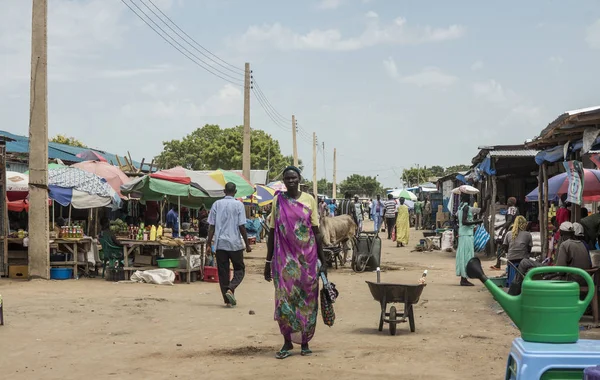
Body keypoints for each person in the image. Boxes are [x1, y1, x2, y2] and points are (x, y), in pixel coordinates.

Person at [264, 166, 326, 360]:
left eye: (294, 177)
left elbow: (316, 232)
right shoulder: (277, 201)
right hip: (284, 261)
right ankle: (287, 342)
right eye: (287, 178)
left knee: (307, 300)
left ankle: (305, 342)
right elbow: (272, 232)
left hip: (307, 260)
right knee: (284, 301)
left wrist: (323, 261)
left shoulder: (309, 200)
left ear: (299, 179)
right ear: (284, 180)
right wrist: (268, 261)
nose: (291, 181)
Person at [206, 182, 252, 307]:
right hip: (235, 244)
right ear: (235, 191)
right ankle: (231, 289)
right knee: (239, 269)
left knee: (223, 272)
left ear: (224, 191)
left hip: (220, 244)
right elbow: (242, 226)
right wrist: (247, 244)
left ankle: (227, 300)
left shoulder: (216, 204)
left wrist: (208, 244)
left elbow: (212, 227)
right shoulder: (239, 205)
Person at [456, 193, 482, 286]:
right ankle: (464, 279)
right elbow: (464, 221)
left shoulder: (460, 207)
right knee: (467, 257)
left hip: (462, 234)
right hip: (466, 235)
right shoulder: (466, 207)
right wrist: (477, 221)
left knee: (463, 256)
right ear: (469, 198)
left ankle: (463, 277)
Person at [491, 196, 519, 270]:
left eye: (508, 201)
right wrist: (499, 226)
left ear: (511, 203)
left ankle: (498, 264)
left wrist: (501, 229)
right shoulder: (516, 209)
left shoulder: (510, 209)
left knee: (501, 245)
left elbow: (509, 221)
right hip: (515, 230)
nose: (507, 202)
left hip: (510, 230)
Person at [502, 215, 532, 281]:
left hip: (511, 259)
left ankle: (510, 282)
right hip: (523, 260)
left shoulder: (508, 234)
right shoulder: (528, 234)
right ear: (524, 224)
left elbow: (505, 247)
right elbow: (529, 249)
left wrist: (510, 253)